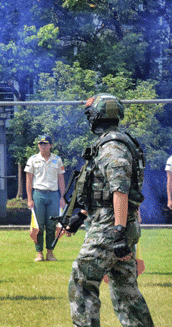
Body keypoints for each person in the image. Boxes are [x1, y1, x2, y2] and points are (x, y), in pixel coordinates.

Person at [65, 93, 153, 327]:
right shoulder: (115, 143)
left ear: (97, 116)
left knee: (82, 279)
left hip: (110, 227)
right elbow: (103, 192)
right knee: (126, 291)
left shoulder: (112, 147)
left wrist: (118, 231)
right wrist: (80, 216)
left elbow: (120, 191)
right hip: (116, 223)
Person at [25, 134, 66, 262]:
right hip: (39, 194)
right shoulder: (33, 159)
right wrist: (30, 198)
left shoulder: (57, 160)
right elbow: (28, 180)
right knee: (38, 225)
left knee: (52, 225)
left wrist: (62, 197)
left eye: (45, 144)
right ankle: (39, 253)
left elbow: (61, 179)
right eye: (40, 144)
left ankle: (50, 252)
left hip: (53, 195)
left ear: (51, 145)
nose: (43, 146)